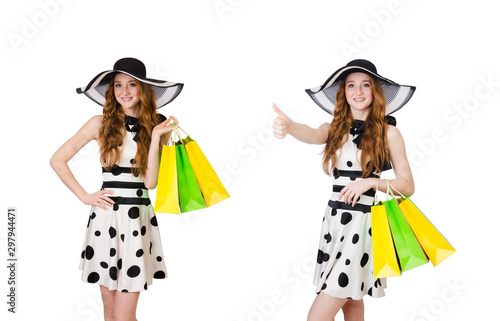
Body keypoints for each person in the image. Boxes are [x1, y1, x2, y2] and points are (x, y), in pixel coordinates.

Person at [272, 59, 416, 321]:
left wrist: (372, 182)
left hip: (362, 227)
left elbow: (407, 186)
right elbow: (313, 133)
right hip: (335, 224)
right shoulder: (334, 128)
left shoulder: (389, 132)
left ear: (375, 91)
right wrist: (291, 127)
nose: (358, 91)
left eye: (365, 85)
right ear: (343, 92)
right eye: (351, 85)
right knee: (351, 304)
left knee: (317, 316)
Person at [50, 57, 184, 321]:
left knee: (123, 317)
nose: (124, 92)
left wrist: (157, 137)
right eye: (118, 85)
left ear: (143, 89)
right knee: (110, 315)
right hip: (105, 219)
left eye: (132, 85)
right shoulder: (98, 123)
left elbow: (150, 183)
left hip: (136, 219)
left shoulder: (158, 127)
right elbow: (57, 160)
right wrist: (85, 196)